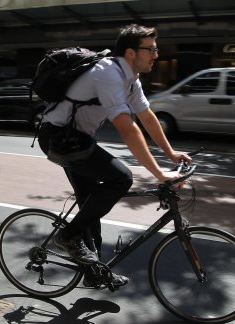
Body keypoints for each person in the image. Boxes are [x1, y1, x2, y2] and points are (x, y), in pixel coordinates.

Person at [37, 24, 192, 287]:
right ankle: (68, 236)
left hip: (77, 141)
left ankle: (92, 272)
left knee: (90, 206)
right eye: (151, 49)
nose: (156, 54)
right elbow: (128, 128)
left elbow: (147, 117)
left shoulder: (130, 78)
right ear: (131, 53)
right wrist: (160, 174)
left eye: (157, 49)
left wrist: (171, 153)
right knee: (121, 178)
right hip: (60, 138)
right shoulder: (108, 73)